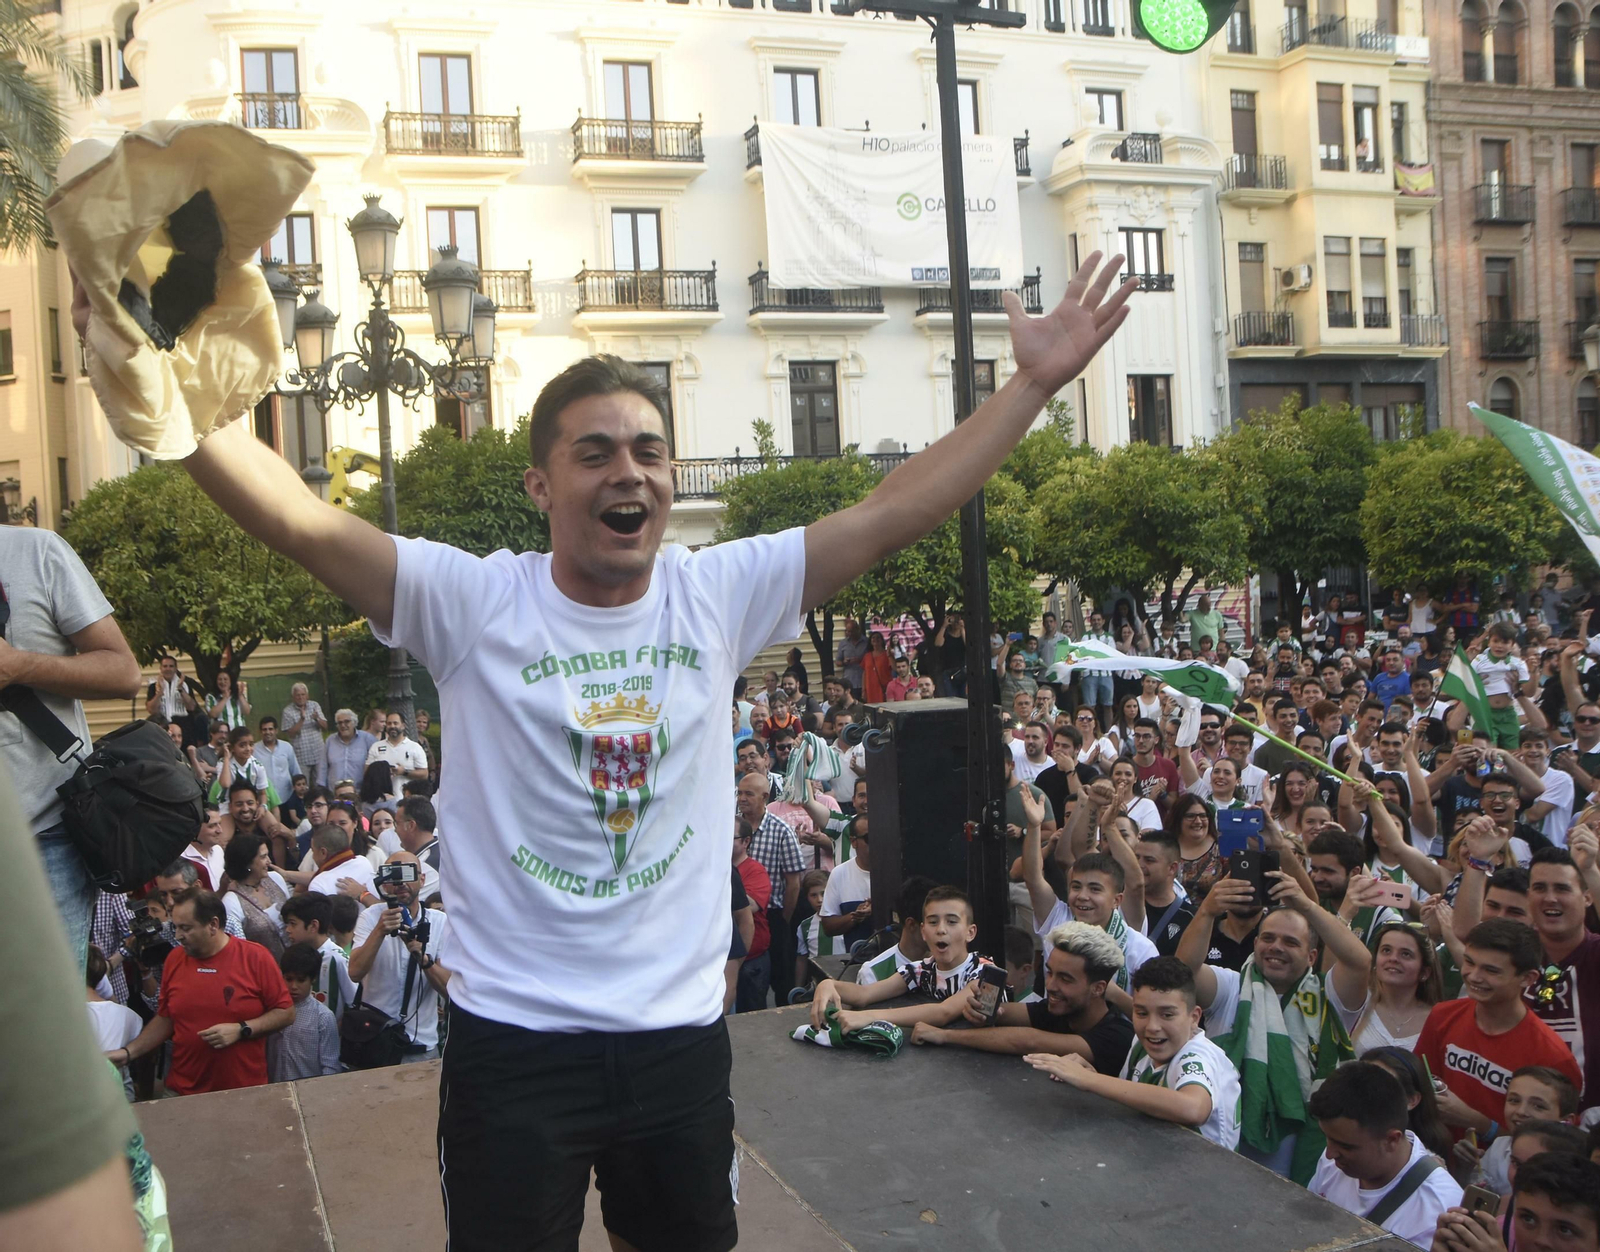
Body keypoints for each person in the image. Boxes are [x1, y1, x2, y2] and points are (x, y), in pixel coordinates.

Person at [113, 247, 1138, 1245]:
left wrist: (1032, 386)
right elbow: (300, 520)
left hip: (675, 1046)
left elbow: (893, 507)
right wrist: (155, 376)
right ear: (539, 485)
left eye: (648, 450)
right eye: (595, 452)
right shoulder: (472, 603)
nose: (629, 472)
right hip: (514, 1049)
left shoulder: (717, 592)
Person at [0, 527, 142, 962]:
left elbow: (125, 674)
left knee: (44, 1027)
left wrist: (17, 666)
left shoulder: (35, 552)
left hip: (41, 838)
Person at [1176, 869, 1372, 1180]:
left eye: (1290, 942)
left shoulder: (1328, 996)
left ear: (1311, 956)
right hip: (1228, 1134)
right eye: (1268, 938)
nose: (1276, 947)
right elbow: (1184, 974)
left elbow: (1360, 961)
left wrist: (1306, 905)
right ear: (1255, 944)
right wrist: (1207, 911)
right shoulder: (1233, 987)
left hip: (1303, 1144)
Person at [1024, 955, 1241, 1149]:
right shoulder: (1141, 1043)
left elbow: (1193, 1108)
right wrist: (1095, 1075)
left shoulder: (1198, 1055)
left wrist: (1089, 1080)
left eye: (1167, 1015)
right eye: (1142, 1012)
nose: (1152, 1026)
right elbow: (1130, 1098)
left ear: (1194, 1017)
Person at [113, 887, 294, 1095]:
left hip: (242, 1092)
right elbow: (166, 1018)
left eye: (186, 928)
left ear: (213, 925)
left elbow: (285, 1012)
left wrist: (242, 1029)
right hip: (182, 1091)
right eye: (175, 927)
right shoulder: (174, 960)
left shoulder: (255, 957)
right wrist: (128, 1053)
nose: (179, 936)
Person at [1415, 919, 1582, 1141]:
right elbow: (1418, 1085)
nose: (1474, 976)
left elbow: (1553, 1147)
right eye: (1469, 962)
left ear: (1527, 978)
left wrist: (1480, 1124)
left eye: (1491, 970)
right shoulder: (1442, 1016)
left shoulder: (1553, 1057)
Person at [913, 921, 1134, 1075]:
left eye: (1065, 979)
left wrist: (944, 1036)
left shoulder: (1117, 1036)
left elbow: (1028, 1041)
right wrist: (983, 1010)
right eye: (1049, 973)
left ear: (1098, 988)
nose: (1051, 986)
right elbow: (1005, 1012)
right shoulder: (1059, 1008)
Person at [1308, 1061, 1464, 1248]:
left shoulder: (1442, 1207)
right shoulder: (1333, 1157)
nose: (1330, 1153)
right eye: (1327, 1137)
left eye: (1346, 1147)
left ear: (1392, 1140)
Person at [810, 886, 1000, 1036]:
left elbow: (943, 1012)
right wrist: (829, 985)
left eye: (952, 921)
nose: (941, 929)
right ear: (923, 932)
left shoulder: (985, 973)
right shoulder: (921, 971)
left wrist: (868, 1016)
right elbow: (864, 994)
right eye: (933, 922)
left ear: (970, 932)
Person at [349, 851, 454, 1056]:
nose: (399, 882)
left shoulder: (439, 922)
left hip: (421, 1043)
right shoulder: (370, 918)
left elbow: (450, 989)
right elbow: (354, 972)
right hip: (375, 1039)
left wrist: (425, 962)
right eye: (392, 875)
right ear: (383, 882)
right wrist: (379, 931)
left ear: (422, 880)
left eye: (407, 873)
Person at [1466, 1067, 1581, 1194]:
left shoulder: (1575, 1167)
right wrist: (1464, 1167)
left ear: (1567, 1121)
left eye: (1538, 1106)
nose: (1521, 1111)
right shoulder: (1499, 1148)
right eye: (1514, 1100)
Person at [266, 941, 342, 1082]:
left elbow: (330, 1066)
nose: (293, 986)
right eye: (288, 979)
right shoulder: (271, 1010)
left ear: (313, 979)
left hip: (309, 1093)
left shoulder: (323, 1017)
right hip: (275, 1090)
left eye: (301, 980)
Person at [279, 892, 358, 1023]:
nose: (288, 929)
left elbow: (354, 1002)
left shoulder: (337, 958)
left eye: (293, 924)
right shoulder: (293, 955)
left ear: (313, 926)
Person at [1124, 829, 1197, 957]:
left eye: (1149, 860)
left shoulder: (1191, 918)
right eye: (1137, 858)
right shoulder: (1121, 904)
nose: (1139, 865)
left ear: (1172, 868)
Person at [219, 832, 291, 959]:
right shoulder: (231, 901)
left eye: (268, 855)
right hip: (263, 970)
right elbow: (236, 948)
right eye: (263, 857)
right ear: (247, 862)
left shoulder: (276, 878)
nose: (269, 861)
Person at [365, 712, 427, 801]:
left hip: (407, 801)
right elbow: (367, 772)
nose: (392, 726)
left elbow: (424, 774)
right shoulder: (376, 746)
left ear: (403, 725)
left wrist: (404, 772)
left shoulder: (415, 747)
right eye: (389, 723)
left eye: (395, 723)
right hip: (381, 800)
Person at [279, 683, 328, 787]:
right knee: (303, 787)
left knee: (320, 785)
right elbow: (290, 734)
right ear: (293, 697)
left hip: (319, 753)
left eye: (303, 694)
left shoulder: (314, 705)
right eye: (298, 695)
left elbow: (325, 726)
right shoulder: (288, 711)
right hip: (301, 757)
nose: (301, 697)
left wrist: (316, 719)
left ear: (307, 696)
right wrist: (302, 719)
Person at [252, 715, 300, 815]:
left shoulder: (286, 747)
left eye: (270, 729)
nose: (268, 732)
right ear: (260, 732)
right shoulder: (254, 750)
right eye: (264, 729)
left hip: (286, 797)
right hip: (266, 799)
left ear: (276, 730)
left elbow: (295, 771)